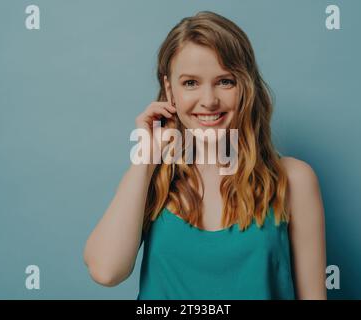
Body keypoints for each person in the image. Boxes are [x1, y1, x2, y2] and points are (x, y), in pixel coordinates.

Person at [83, 11, 327, 300]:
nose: (209, 101)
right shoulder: (150, 175)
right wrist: (147, 158)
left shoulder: (294, 179)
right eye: (190, 83)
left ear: (246, 86)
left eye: (225, 81)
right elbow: (106, 271)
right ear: (169, 89)